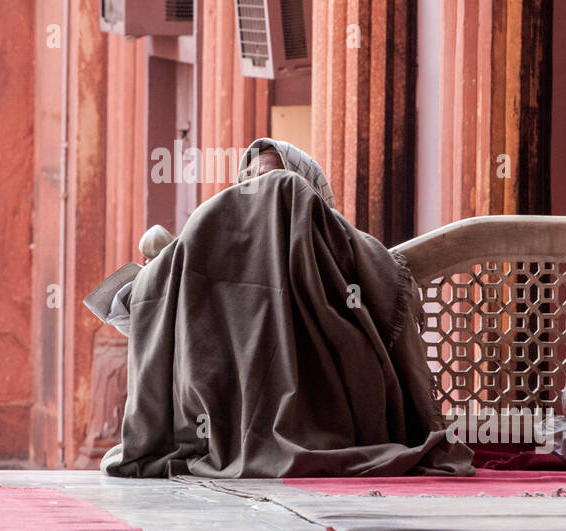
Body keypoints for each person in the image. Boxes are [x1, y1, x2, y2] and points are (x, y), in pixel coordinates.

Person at [101, 137, 474, 478]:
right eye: (246, 181)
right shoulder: (215, 266)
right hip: (222, 429)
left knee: (285, 191)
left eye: (266, 176)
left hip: (333, 417)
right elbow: (137, 313)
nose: (255, 189)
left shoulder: (341, 256)